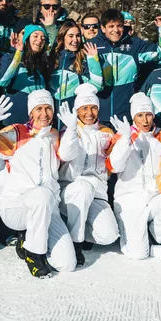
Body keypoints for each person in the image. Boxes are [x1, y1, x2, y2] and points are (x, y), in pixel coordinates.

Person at [0, 91, 77, 278]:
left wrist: (72, 130)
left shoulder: (54, 135)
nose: (44, 113)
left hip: (47, 208)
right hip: (15, 207)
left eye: (48, 108)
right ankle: (34, 254)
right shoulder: (17, 134)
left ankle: (28, 239)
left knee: (67, 263)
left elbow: (68, 155)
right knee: (41, 195)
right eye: (39, 109)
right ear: (30, 113)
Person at [107, 93, 161, 260]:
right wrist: (126, 140)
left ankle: (155, 233)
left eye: (148, 115)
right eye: (140, 115)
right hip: (130, 200)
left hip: (155, 196)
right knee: (138, 254)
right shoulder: (123, 136)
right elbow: (114, 167)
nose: (145, 120)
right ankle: (138, 233)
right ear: (133, 117)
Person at [56, 85, 121, 266]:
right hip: (69, 190)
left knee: (109, 235)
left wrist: (124, 140)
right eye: (84, 108)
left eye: (93, 107)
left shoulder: (106, 133)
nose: (89, 113)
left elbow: (115, 165)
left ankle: (67, 228)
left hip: (96, 194)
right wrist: (70, 131)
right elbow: (66, 155)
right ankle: (76, 243)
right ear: (77, 110)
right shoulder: (69, 130)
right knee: (83, 188)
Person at [92, 9, 161, 122]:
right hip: (99, 116)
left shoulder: (134, 45)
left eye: (119, 26)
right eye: (111, 26)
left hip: (126, 116)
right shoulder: (92, 45)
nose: (116, 30)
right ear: (103, 28)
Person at [0, 24, 51, 124]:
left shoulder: (44, 63)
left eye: (43, 38)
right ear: (27, 38)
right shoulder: (11, 57)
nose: (39, 40)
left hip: (37, 121)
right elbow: (2, 81)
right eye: (35, 36)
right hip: (14, 119)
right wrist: (18, 53)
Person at [51, 21, 103, 110]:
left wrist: (93, 59)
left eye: (78, 36)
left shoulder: (85, 58)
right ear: (62, 37)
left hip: (77, 113)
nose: (75, 40)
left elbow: (97, 85)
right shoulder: (52, 58)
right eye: (71, 36)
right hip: (53, 115)